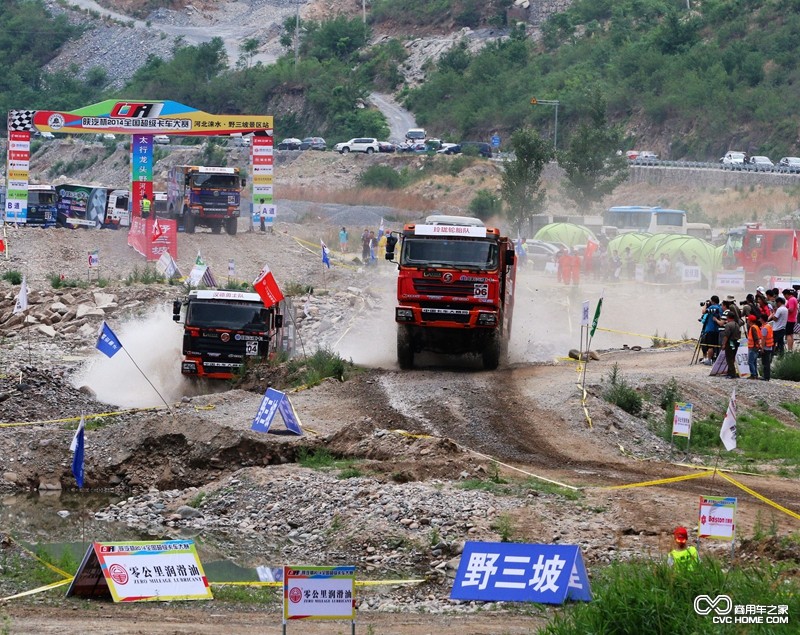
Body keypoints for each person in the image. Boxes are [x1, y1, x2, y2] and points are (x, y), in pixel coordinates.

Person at [700, 296, 722, 365]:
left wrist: (705, 305)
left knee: (710, 345)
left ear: (713, 301)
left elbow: (703, 312)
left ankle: (709, 359)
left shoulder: (713, 307)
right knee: (715, 345)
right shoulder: (720, 307)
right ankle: (714, 358)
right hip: (717, 329)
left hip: (710, 329)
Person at [720, 310, 741, 378]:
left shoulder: (728, 325)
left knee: (729, 358)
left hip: (730, 343)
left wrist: (723, 344)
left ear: (728, 317)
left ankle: (732, 373)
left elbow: (726, 336)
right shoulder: (736, 324)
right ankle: (730, 372)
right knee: (732, 357)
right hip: (736, 342)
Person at [746, 314, 761, 379]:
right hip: (755, 346)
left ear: (750, 321)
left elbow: (755, 338)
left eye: (748, 320)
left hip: (753, 347)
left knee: (750, 361)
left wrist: (756, 345)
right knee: (754, 361)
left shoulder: (753, 328)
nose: (747, 321)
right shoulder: (756, 327)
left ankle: (753, 374)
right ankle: (755, 374)